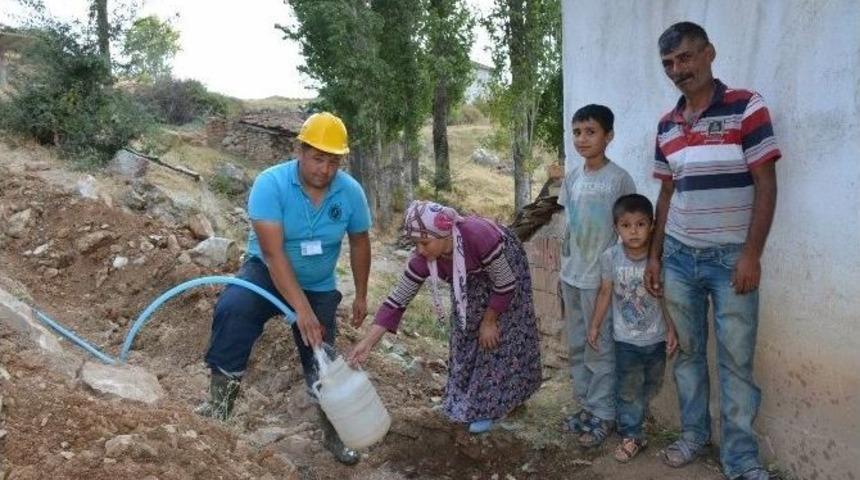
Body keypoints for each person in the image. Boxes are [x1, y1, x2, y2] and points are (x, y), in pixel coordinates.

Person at [644, 22, 780, 480]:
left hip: (730, 262)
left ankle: (741, 460)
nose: (677, 70)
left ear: (708, 54)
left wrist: (751, 254)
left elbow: (766, 183)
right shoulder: (666, 125)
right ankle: (694, 436)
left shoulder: (746, 107)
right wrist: (656, 257)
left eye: (684, 58)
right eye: (668, 64)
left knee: (736, 362)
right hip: (679, 258)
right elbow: (665, 197)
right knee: (686, 354)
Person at [197, 112, 372, 466]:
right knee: (234, 309)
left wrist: (362, 293)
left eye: (333, 160)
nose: (325, 169)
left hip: (319, 284)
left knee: (323, 356)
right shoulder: (270, 184)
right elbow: (274, 254)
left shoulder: (350, 192)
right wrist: (301, 311)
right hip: (266, 272)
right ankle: (219, 409)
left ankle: (334, 433)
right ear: (299, 151)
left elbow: (360, 242)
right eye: (318, 158)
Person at [347, 200, 541, 434]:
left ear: (444, 232)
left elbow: (505, 283)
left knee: (499, 335)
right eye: (415, 243)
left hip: (505, 270)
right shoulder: (425, 258)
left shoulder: (478, 236)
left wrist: (490, 320)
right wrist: (368, 342)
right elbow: (397, 299)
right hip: (470, 277)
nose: (420, 250)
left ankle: (496, 405)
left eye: (425, 242)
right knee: (465, 330)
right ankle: (465, 400)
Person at [558, 104, 636, 447]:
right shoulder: (572, 177)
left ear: (609, 136)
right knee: (577, 345)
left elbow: (631, 230)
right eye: (577, 132)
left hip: (599, 282)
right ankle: (587, 408)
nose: (582, 139)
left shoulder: (619, 179)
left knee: (599, 346)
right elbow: (568, 225)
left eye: (590, 132)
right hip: (571, 277)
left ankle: (604, 414)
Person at [586, 194, 678, 462]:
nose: (633, 231)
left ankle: (637, 421)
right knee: (628, 387)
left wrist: (672, 329)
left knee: (651, 383)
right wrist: (594, 325)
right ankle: (631, 435)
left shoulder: (659, 259)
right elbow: (605, 293)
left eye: (640, 224)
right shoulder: (611, 257)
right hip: (625, 340)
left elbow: (666, 297)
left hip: (656, 338)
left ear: (652, 225)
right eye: (626, 225)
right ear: (616, 228)